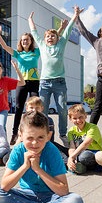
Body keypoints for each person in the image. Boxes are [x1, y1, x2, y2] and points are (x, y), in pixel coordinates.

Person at [0, 111, 83, 203]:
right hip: (26, 195)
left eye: (40, 138)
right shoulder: (18, 150)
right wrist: (25, 166)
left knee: (75, 201)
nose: (35, 143)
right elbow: (5, 186)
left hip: (51, 196)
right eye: (30, 138)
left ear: (48, 136)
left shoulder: (52, 151)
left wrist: (38, 169)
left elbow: (63, 190)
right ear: (20, 135)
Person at [29, 9, 76, 143]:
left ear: (57, 38)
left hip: (59, 83)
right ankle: (42, 132)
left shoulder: (61, 44)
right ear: (45, 39)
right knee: (42, 110)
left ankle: (62, 134)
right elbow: (34, 32)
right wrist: (30, 20)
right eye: (48, 36)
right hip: (44, 83)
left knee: (62, 109)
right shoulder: (42, 45)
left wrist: (75, 16)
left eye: (53, 36)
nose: (50, 38)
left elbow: (67, 32)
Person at [0, 26, 41, 145]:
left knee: (36, 106)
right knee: (19, 108)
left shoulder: (36, 52)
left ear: (31, 41)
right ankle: (15, 134)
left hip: (34, 82)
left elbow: (46, 44)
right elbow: (5, 47)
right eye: (23, 40)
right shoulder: (18, 54)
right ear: (21, 42)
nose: (25, 41)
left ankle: (36, 130)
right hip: (21, 82)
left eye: (27, 39)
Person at [66, 104, 102, 174]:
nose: (78, 120)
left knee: (84, 156)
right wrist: (71, 158)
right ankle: (73, 164)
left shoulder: (92, 127)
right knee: (55, 146)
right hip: (78, 152)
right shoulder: (71, 131)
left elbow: (85, 144)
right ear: (70, 119)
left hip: (92, 152)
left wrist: (73, 156)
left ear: (85, 116)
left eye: (81, 117)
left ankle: (72, 164)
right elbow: (72, 146)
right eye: (75, 118)